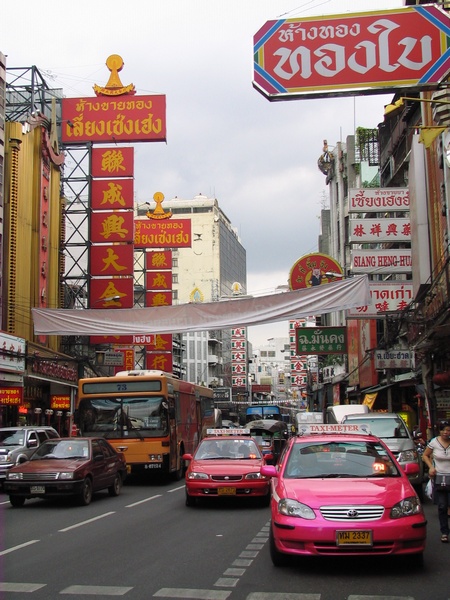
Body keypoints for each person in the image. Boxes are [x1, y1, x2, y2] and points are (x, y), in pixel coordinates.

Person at [422, 420, 450, 542]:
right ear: (440, 431)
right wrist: (431, 467)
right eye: (443, 430)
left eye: (448, 430)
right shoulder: (434, 442)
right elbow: (425, 455)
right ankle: (444, 532)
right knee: (442, 506)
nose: (446, 432)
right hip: (440, 478)